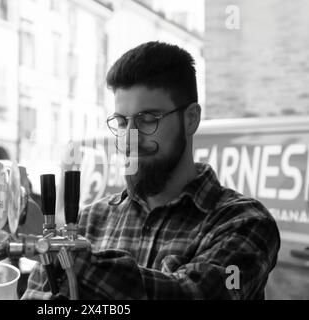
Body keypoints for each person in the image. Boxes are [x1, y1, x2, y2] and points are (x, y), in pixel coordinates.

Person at [22, 41, 280, 300]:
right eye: (122, 122)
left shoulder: (245, 222)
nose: (130, 138)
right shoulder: (90, 222)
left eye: (148, 120)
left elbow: (192, 294)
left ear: (191, 119)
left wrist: (62, 255)